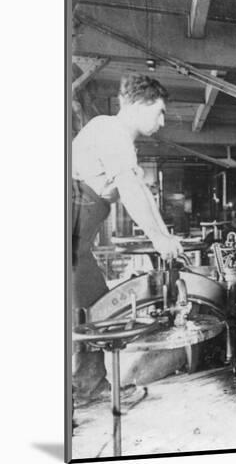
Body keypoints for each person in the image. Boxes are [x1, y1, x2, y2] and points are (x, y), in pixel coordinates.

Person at [72, 72, 184, 402]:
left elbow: (143, 194)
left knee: (95, 306)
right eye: (159, 112)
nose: (162, 122)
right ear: (137, 105)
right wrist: (159, 240)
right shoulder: (109, 130)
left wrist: (165, 237)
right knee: (80, 313)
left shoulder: (123, 144)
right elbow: (130, 190)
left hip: (78, 242)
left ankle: (89, 386)